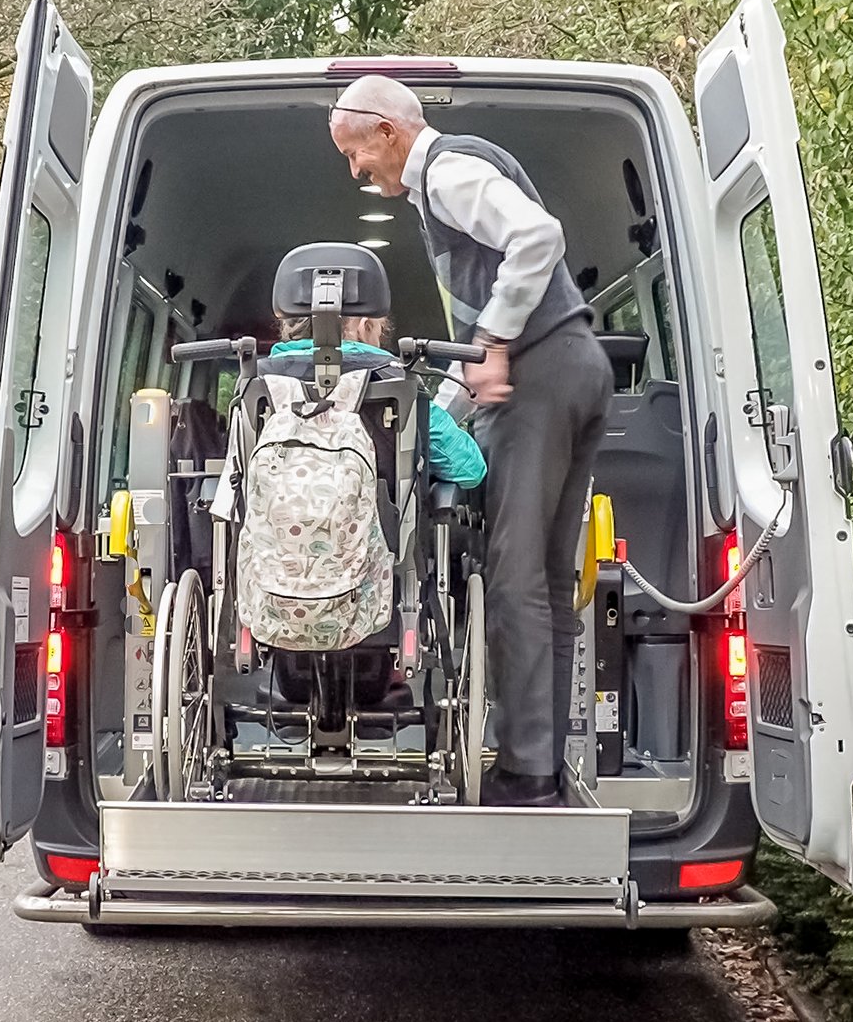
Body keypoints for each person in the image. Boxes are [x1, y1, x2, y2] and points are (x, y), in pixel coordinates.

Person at [328, 74, 612, 807]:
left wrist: (492, 337)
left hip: (540, 374)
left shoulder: (448, 170)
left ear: (387, 131)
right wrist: (447, 404)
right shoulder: (443, 185)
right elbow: (473, 356)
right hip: (576, 364)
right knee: (547, 580)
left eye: (357, 153)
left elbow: (538, 237)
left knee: (513, 575)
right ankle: (539, 765)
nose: (357, 170)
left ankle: (523, 770)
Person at [258, 312, 486, 487]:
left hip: (267, 545)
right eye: (379, 330)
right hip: (379, 545)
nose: (379, 338)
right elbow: (468, 469)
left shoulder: (259, 379)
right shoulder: (395, 379)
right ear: (363, 325)